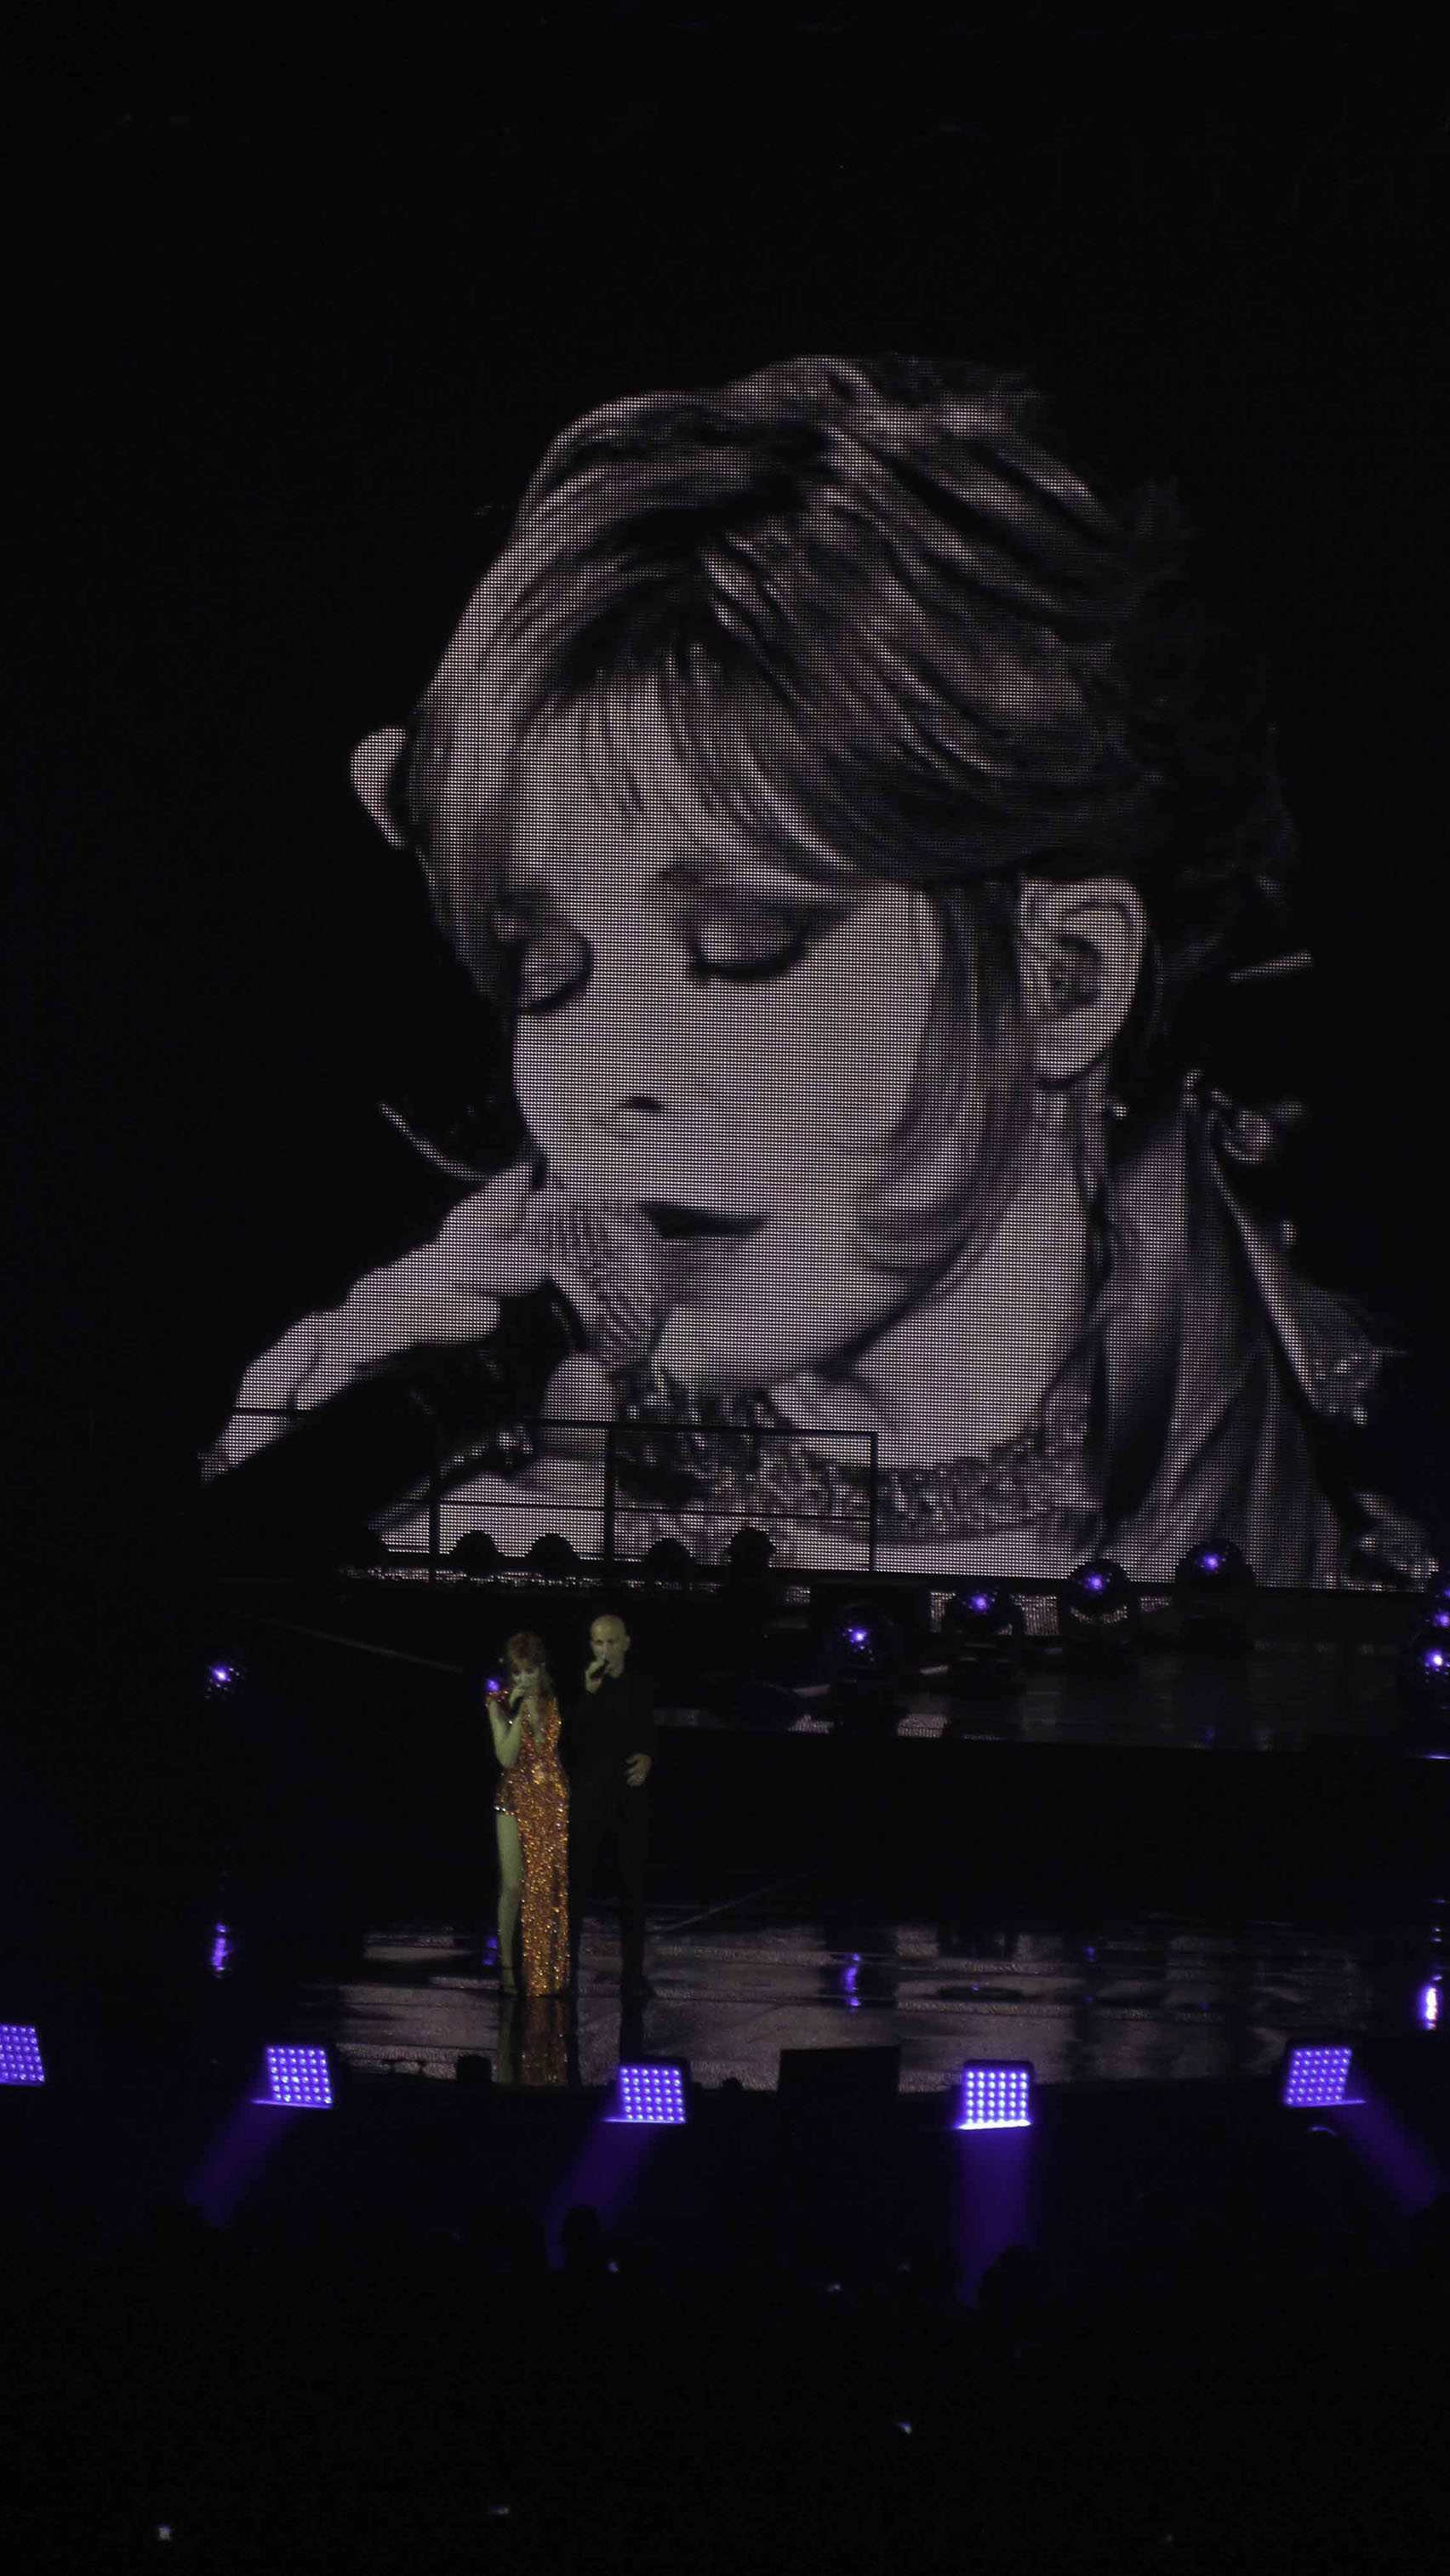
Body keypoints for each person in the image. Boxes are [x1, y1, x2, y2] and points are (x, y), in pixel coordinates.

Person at [205, 351, 1430, 1587]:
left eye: (747, 948)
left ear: (1063, 976)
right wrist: (441, 1658)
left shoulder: (1333, 1456)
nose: (612, 1079)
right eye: (549, 972)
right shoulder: (518, 1508)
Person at [562, 1613, 654, 2002]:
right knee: (577, 1886)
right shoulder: (584, 1685)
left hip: (629, 1797)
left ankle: (633, 1975)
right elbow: (570, 1740)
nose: (604, 1650)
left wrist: (649, 1758)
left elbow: (650, 1732)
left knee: (633, 1889)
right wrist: (588, 1694)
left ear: (627, 1643)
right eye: (598, 1643)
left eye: (611, 1642)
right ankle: (564, 1972)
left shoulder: (642, 1685)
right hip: (590, 1796)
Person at [486, 1630, 568, 1996]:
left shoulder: (553, 1702)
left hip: (549, 1797)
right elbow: (506, 1757)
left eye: (530, 1671)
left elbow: (544, 1748)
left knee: (544, 1886)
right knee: (513, 1884)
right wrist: (518, 1713)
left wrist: (534, 1711)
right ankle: (507, 1964)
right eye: (517, 1673)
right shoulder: (498, 1703)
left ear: (541, 1670)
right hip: (514, 1797)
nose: (523, 1679)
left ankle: (545, 1970)